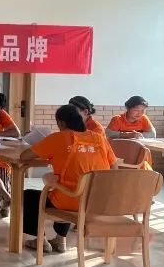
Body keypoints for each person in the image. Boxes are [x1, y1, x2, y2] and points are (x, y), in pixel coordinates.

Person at [20, 105, 116, 253]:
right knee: (67, 187)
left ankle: (40, 241)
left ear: (61, 123)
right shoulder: (99, 138)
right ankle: (60, 240)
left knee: (29, 196)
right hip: (99, 201)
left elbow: (24, 156)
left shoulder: (58, 138)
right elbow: (114, 167)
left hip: (72, 200)